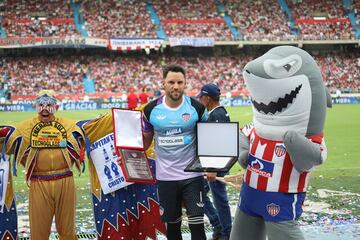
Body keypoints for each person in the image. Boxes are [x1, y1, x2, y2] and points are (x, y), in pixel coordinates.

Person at [0, 90, 84, 240]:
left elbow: (90, 133)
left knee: (68, 231)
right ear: (35, 106)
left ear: (56, 107)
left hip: (65, 179)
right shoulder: (24, 128)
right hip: (39, 182)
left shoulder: (69, 126)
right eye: (41, 105)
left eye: (49, 104)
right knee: (38, 232)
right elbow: (5, 141)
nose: (45, 108)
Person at [142, 64, 207, 240]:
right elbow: (144, 142)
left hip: (192, 176)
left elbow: (209, 139)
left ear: (185, 83)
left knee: (197, 225)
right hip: (166, 178)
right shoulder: (150, 110)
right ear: (163, 83)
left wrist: (213, 166)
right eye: (171, 82)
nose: (176, 86)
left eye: (180, 82)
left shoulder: (197, 108)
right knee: (173, 227)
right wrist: (126, 157)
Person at [198, 83, 232, 240]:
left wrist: (212, 169)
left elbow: (218, 143)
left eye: (201, 97)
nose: (200, 99)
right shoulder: (220, 112)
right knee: (201, 194)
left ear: (208, 98)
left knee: (220, 200)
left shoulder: (215, 115)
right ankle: (218, 225)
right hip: (215, 165)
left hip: (215, 166)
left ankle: (225, 232)